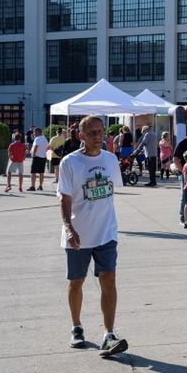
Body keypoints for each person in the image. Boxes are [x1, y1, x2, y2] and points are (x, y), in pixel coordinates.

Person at [57, 115, 128, 355]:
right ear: (81, 136)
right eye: (92, 133)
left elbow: (110, 194)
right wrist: (68, 228)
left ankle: (109, 334)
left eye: (100, 132)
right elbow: (64, 198)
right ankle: (77, 327)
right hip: (78, 234)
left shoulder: (110, 160)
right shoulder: (70, 162)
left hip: (106, 232)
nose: (98, 136)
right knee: (76, 281)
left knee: (108, 279)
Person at [29, 127, 48, 191]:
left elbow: (36, 146)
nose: (33, 133)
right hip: (43, 157)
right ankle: (40, 186)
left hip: (37, 157)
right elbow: (47, 147)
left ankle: (33, 186)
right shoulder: (44, 138)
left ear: (38, 132)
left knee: (33, 172)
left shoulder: (37, 138)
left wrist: (33, 154)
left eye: (34, 132)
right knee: (41, 172)